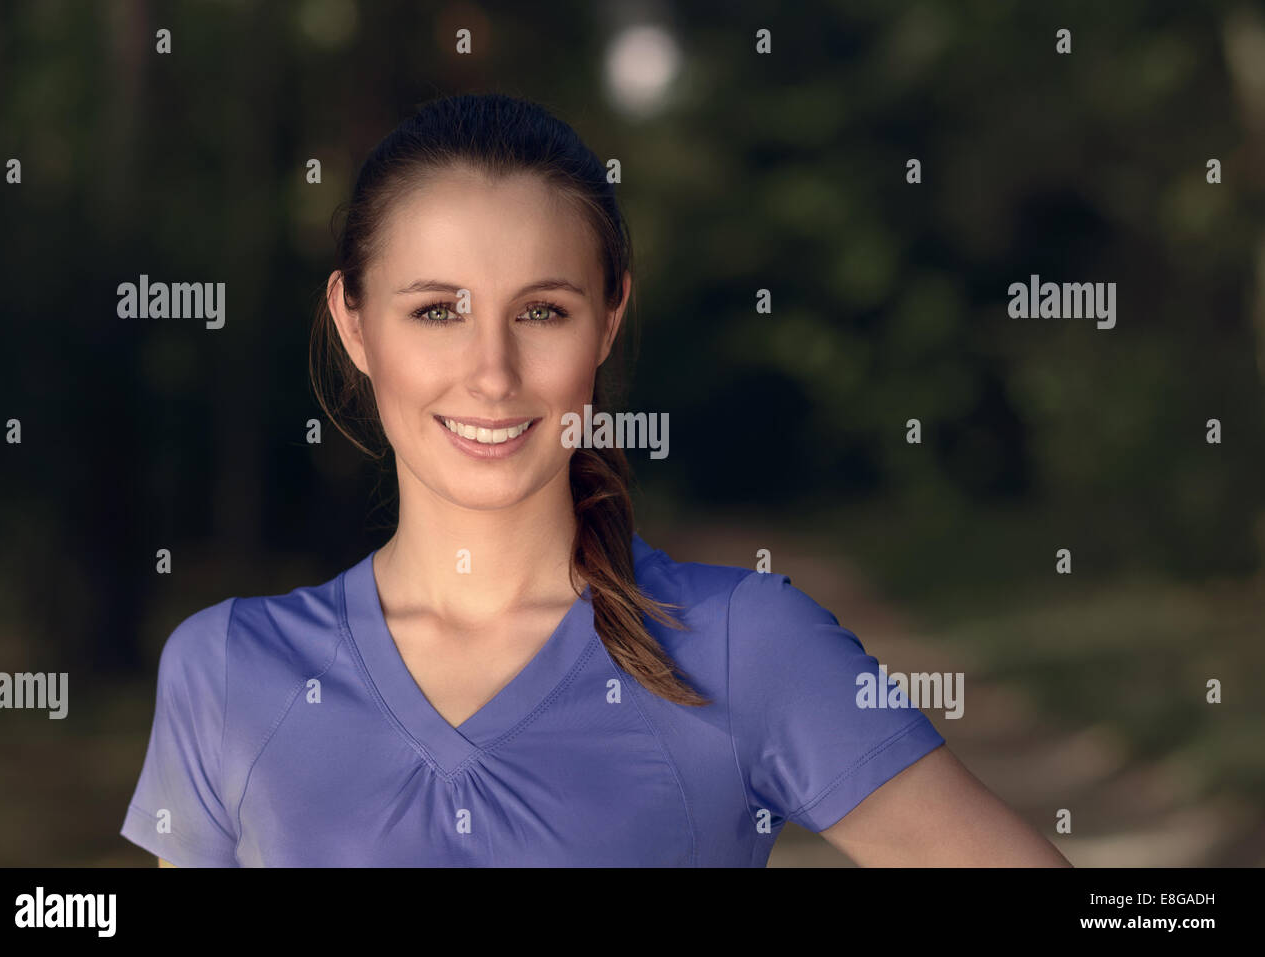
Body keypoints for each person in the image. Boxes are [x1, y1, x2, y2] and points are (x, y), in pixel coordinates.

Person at [119, 93, 1070, 867]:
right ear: (355, 323)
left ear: (607, 322)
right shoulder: (230, 669)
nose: (492, 373)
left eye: (541, 310)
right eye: (438, 310)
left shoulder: (746, 646)